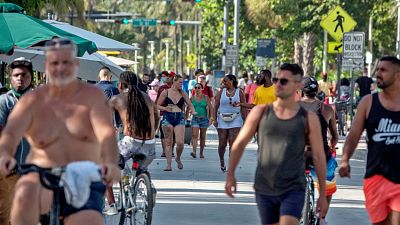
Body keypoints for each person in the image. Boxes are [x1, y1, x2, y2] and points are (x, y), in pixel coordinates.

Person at [0, 38, 120, 225]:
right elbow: (10, 133)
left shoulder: (93, 97)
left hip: (84, 176)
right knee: (23, 199)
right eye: (55, 63)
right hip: (40, 175)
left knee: (89, 220)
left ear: (76, 64)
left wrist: (111, 163)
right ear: (47, 66)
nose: (60, 68)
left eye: (66, 62)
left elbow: (106, 134)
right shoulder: (32, 101)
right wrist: (5, 155)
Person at [225, 63, 328, 225]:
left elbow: (318, 155)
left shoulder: (308, 118)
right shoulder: (260, 113)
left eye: (284, 81)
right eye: (276, 79)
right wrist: (231, 174)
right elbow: (239, 144)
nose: (278, 84)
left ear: (297, 85)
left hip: (293, 186)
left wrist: (322, 194)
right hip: (265, 187)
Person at [339, 56, 400, 225]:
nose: (378, 73)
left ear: (397, 75)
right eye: (377, 69)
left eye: (383, 70)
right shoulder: (368, 103)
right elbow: (353, 135)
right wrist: (344, 160)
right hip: (375, 177)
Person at [105, 71, 160, 214]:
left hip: (130, 143)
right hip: (150, 146)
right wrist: (153, 131)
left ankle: (111, 204)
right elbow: (157, 115)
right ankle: (149, 187)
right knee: (141, 169)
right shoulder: (147, 98)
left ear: (120, 85)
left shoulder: (117, 99)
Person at [299, 76, 339, 224]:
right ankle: (321, 218)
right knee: (328, 185)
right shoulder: (327, 109)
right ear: (317, 90)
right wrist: (332, 146)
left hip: (297, 156)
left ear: (300, 91)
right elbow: (334, 136)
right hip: (319, 156)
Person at [0, 57, 33, 225]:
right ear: (10, 77)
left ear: (30, 78)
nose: (20, 78)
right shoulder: (4, 101)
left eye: (24, 75)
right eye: (16, 75)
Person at [157, 75, 195, 171]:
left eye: (182, 83)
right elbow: (156, 105)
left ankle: (178, 158)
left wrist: (193, 111)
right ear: (174, 81)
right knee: (168, 142)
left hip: (179, 118)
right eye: (180, 82)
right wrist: (165, 108)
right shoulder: (165, 92)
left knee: (180, 143)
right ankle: (168, 165)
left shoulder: (183, 93)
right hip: (167, 118)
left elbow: (189, 104)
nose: (181, 84)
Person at [213, 74, 246, 172]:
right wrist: (214, 119)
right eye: (223, 81)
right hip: (222, 118)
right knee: (222, 143)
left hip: (236, 119)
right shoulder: (221, 92)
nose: (224, 83)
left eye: (226, 81)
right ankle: (222, 161)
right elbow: (215, 106)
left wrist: (245, 120)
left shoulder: (239, 92)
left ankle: (231, 165)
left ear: (232, 81)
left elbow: (243, 107)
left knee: (233, 142)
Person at [187, 83, 213, 159]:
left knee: (202, 136)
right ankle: (194, 152)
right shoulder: (192, 98)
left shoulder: (206, 97)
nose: (197, 89)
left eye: (199, 87)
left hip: (204, 119)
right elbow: (188, 107)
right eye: (196, 87)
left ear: (202, 89)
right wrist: (186, 116)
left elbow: (211, 108)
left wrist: (211, 118)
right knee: (194, 135)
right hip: (195, 119)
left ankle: (201, 152)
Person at [156, 71, 175, 158]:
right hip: (163, 113)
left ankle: (171, 151)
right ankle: (164, 151)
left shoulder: (177, 88)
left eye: (167, 77)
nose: (165, 79)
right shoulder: (161, 88)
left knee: (173, 133)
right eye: (163, 77)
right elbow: (157, 102)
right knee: (163, 133)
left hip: (175, 114)